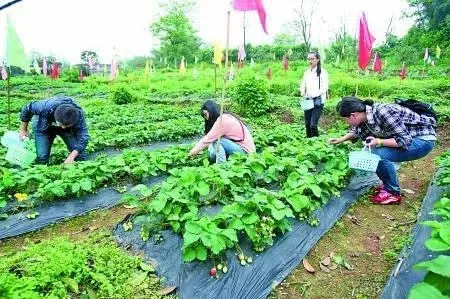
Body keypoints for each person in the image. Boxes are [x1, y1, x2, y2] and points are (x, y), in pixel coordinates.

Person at [330, 96, 437, 205]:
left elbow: (404, 140)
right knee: (374, 153)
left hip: (422, 140)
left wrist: (379, 141)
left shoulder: (383, 112)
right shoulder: (364, 116)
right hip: (409, 138)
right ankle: (387, 185)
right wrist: (341, 139)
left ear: (353, 115)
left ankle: (393, 193)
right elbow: (356, 131)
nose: (346, 123)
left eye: (345, 120)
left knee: (378, 155)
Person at [19, 96, 90, 165]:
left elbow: (84, 137)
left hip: (67, 129)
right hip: (43, 124)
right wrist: (23, 130)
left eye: (67, 125)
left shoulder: (78, 116)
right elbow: (27, 108)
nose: (63, 127)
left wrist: (71, 156)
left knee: (80, 155)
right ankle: (42, 170)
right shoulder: (44, 107)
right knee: (42, 156)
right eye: (61, 124)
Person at [189, 100, 256, 163]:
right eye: (203, 116)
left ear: (211, 111)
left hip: (246, 152)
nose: (206, 118)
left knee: (215, 140)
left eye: (205, 114)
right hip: (238, 147)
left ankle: (221, 166)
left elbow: (208, 139)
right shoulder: (225, 117)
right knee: (212, 151)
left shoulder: (222, 120)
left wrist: (192, 153)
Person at [299, 51, 329, 137]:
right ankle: (309, 143)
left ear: (318, 59)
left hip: (318, 101)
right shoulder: (307, 72)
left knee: (313, 125)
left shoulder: (323, 72)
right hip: (308, 101)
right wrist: (302, 92)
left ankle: (316, 142)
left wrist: (315, 94)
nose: (310, 61)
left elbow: (325, 87)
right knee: (307, 124)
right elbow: (303, 84)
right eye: (309, 59)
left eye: (312, 59)